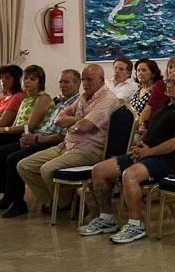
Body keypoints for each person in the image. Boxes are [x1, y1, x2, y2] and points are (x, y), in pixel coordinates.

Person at [78, 69, 175, 244]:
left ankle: (136, 225)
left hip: (168, 160)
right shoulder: (166, 105)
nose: (169, 85)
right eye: (168, 81)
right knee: (99, 170)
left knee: (130, 175)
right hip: (147, 154)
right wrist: (138, 147)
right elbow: (151, 131)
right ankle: (106, 218)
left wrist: (148, 152)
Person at [16, 65, 119, 215]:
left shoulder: (107, 99)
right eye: (83, 80)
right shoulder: (84, 97)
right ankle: (59, 202)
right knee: (24, 166)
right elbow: (59, 119)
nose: (85, 84)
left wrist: (72, 122)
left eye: (89, 80)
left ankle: (69, 203)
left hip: (89, 149)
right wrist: (79, 119)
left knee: (47, 169)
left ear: (101, 80)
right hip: (67, 144)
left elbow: (84, 127)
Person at [0, 69, 80, 218]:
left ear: (78, 84)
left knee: (12, 158)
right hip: (38, 137)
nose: (62, 85)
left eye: (66, 82)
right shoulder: (60, 101)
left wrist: (35, 138)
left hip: (51, 141)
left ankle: (19, 202)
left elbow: (57, 134)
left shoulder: (71, 102)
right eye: (60, 82)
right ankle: (10, 197)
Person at [0, 64, 52, 154]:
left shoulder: (42, 98)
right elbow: (15, 124)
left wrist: (2, 130)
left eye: (32, 79)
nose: (27, 81)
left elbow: (30, 126)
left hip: (32, 136)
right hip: (19, 133)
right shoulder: (26, 100)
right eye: (25, 78)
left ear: (40, 82)